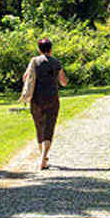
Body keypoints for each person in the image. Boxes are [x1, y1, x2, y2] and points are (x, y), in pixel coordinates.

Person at [18, 38, 69, 169]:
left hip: (36, 99)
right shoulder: (56, 62)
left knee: (39, 126)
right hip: (52, 98)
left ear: (39, 49)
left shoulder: (34, 61)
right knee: (49, 127)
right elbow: (63, 82)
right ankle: (43, 157)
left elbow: (25, 78)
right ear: (51, 49)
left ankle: (42, 157)